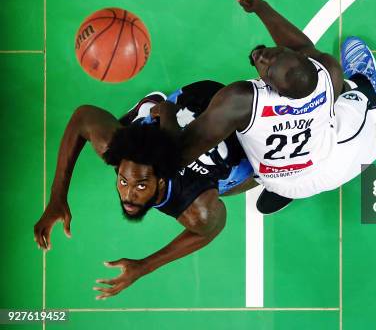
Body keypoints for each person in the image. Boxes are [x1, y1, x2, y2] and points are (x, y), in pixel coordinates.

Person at [180, 0, 376, 234]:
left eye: (268, 63)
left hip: (280, 180)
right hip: (325, 164)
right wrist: (261, 7)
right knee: (367, 109)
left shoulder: (244, 102)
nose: (265, 56)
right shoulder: (328, 76)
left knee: (375, 111)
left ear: (271, 86)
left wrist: (167, 114)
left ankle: (283, 193)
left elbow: (187, 149)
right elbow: (300, 46)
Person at [33, 80, 255, 299]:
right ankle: (148, 110)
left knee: (252, 177)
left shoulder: (196, 207)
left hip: (240, 129)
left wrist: (145, 266)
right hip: (197, 99)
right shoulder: (117, 151)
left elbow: (212, 228)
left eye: (140, 185)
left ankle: (279, 182)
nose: (128, 195)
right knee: (138, 128)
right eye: (123, 181)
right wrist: (57, 195)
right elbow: (83, 117)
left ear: (160, 181)